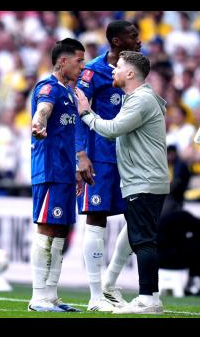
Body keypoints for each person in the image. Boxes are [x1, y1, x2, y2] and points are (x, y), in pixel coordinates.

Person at [76, 51, 170, 314]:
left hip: (144, 180)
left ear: (130, 73)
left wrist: (86, 113)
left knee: (143, 242)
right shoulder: (140, 98)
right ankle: (146, 295)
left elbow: (112, 129)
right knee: (142, 238)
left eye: (117, 67)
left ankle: (148, 299)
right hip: (146, 179)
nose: (113, 71)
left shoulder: (140, 100)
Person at [75, 20, 142, 312]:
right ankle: (95, 295)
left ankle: (110, 283)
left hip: (132, 157)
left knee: (137, 217)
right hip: (100, 156)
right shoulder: (93, 71)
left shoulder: (138, 68)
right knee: (96, 218)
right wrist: (81, 154)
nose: (139, 40)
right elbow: (79, 111)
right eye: (133, 36)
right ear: (116, 41)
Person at [29, 38, 86, 312]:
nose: (82, 66)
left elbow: (69, 135)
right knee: (47, 230)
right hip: (49, 169)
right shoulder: (49, 87)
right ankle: (37, 297)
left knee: (60, 233)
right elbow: (43, 109)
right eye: (78, 60)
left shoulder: (70, 93)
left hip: (65, 171)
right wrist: (38, 123)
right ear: (63, 61)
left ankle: (51, 296)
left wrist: (76, 167)